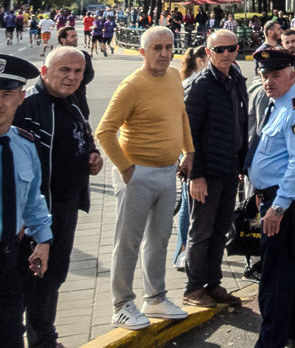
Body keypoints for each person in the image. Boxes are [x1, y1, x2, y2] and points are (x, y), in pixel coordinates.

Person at [94, 26, 194, 330]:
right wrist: (126, 170)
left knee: (159, 240)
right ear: (143, 52)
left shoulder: (175, 76)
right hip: (136, 174)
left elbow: (181, 115)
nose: (165, 53)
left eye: (169, 47)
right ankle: (121, 304)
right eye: (157, 48)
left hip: (167, 172)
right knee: (128, 242)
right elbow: (104, 130)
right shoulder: (132, 86)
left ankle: (156, 297)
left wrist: (188, 151)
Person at [14, 48, 101, 348]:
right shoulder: (27, 106)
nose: (72, 77)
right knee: (29, 282)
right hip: (37, 214)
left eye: (78, 72)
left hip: (66, 207)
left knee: (54, 276)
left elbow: (84, 138)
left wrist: (94, 156)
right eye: (64, 70)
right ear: (44, 71)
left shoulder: (71, 102)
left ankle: (44, 337)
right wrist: (27, 219)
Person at [245, 48, 295, 348]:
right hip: (274, 196)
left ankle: (269, 343)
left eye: (275, 75)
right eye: (264, 75)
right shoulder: (278, 103)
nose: (268, 81)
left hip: (284, 201)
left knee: (273, 276)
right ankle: (292, 334)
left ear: (292, 75)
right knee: (286, 272)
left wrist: (278, 206)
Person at [181, 29, 247, 309]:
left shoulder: (237, 79)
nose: (226, 54)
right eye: (219, 49)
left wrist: (242, 163)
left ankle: (213, 284)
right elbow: (189, 135)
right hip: (206, 173)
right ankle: (193, 288)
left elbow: (242, 123)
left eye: (231, 48)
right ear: (207, 53)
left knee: (221, 230)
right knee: (201, 232)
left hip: (230, 170)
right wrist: (196, 176)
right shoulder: (200, 85)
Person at [0, 54, 53, 345]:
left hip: (7, 261)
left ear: (21, 97)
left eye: (6, 95)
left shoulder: (24, 145)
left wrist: (43, 240)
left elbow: (32, 199)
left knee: (10, 337)